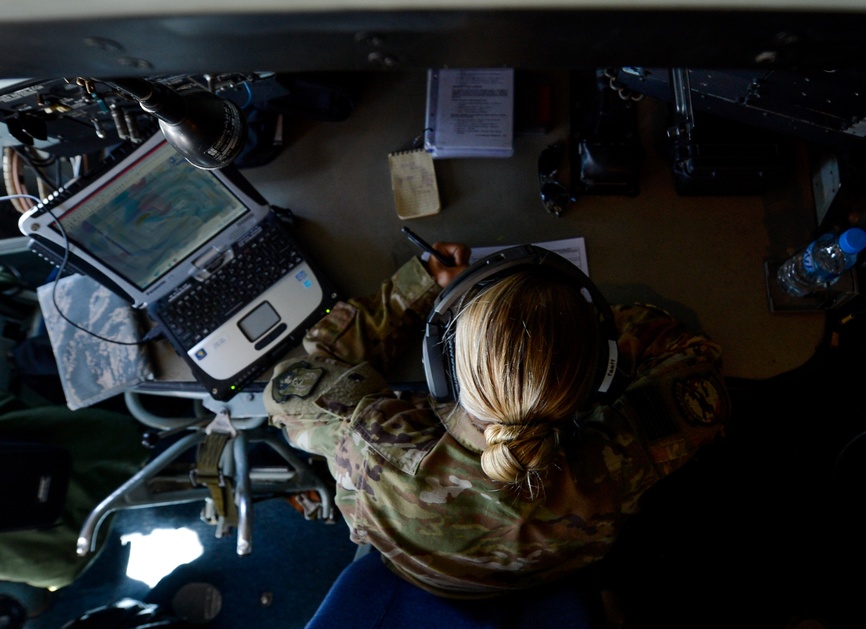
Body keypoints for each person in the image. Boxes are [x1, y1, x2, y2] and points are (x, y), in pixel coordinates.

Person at [264, 242, 729, 599]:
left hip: (424, 580)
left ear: (442, 369)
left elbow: (297, 378)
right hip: (545, 580)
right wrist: (590, 336)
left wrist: (420, 281)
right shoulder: (616, 462)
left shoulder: (371, 441)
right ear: (595, 384)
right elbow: (694, 363)